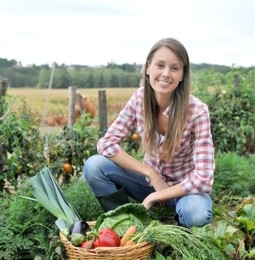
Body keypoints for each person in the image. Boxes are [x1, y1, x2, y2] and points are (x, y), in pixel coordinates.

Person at [83, 37, 215, 228]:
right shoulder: (139, 99)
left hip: (184, 191)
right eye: (160, 65)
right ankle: (129, 223)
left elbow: (203, 179)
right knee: (94, 166)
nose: (166, 74)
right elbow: (106, 144)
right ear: (148, 68)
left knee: (195, 214)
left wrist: (157, 195)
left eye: (174, 68)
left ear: (182, 75)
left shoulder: (197, 111)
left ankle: (177, 228)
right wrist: (151, 174)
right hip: (146, 183)